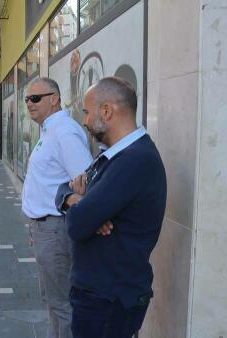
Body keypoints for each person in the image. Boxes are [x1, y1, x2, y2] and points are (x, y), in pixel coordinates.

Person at [56, 77, 167, 338]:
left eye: (86, 112)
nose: (84, 121)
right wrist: (78, 200)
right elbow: (63, 189)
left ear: (106, 111)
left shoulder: (136, 160)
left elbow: (77, 225)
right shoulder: (114, 156)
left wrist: (85, 211)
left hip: (109, 300)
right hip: (100, 295)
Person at [21, 78, 93, 338]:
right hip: (44, 228)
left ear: (55, 98)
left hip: (55, 228)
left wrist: (50, 227)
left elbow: (84, 183)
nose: (29, 104)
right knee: (53, 300)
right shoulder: (50, 130)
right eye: (27, 99)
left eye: (35, 98)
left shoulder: (64, 131)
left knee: (62, 305)